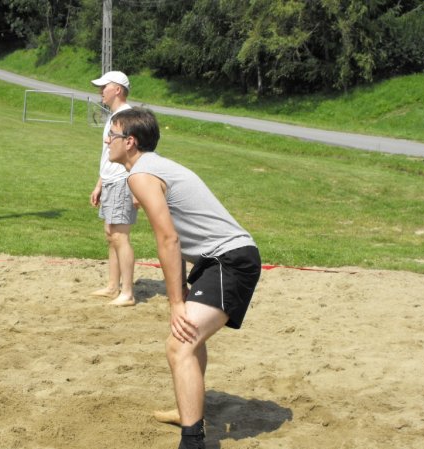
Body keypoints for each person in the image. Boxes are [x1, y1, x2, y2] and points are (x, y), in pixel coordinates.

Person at [106, 108, 262, 449]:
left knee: (180, 343)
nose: (107, 141)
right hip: (214, 261)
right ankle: (187, 410)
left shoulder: (142, 173)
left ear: (130, 142)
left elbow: (168, 239)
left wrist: (176, 301)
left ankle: (193, 439)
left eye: (112, 135)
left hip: (231, 261)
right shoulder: (150, 169)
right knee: (190, 341)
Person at [89, 71, 137, 307]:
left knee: (120, 236)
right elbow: (108, 154)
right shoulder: (114, 116)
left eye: (104, 87)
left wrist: (135, 187)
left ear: (117, 89)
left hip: (121, 181)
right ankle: (112, 286)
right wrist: (99, 183)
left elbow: (135, 155)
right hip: (109, 181)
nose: (100, 91)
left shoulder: (127, 117)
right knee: (111, 235)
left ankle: (127, 292)